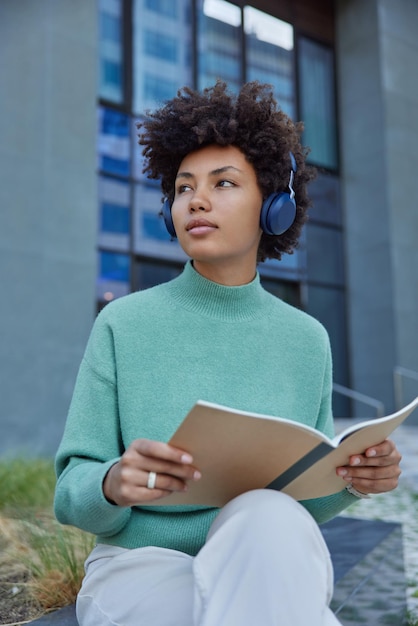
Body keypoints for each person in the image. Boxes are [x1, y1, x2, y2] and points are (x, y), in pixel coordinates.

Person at [54, 81, 402, 626]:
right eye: (184, 186)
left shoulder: (307, 340)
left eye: (224, 183)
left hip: (265, 557)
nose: (197, 199)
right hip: (140, 565)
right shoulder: (123, 323)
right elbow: (71, 490)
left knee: (266, 510)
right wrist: (112, 481)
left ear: (275, 206)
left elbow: (303, 500)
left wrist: (352, 480)